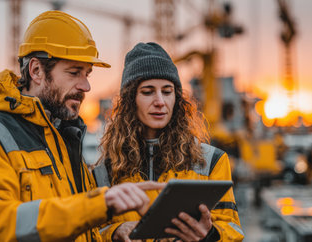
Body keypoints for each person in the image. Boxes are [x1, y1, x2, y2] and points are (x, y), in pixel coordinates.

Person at [0, 11, 164, 241]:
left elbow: (76, 227)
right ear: (36, 71)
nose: (86, 85)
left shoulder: (64, 142)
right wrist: (99, 205)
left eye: (87, 73)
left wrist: (112, 233)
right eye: (74, 73)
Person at [94, 42, 244, 241]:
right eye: (148, 92)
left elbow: (232, 228)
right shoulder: (105, 170)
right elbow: (91, 234)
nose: (160, 101)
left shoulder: (212, 161)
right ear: (130, 100)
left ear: (177, 98)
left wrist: (210, 235)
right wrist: (114, 233)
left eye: (167, 91)